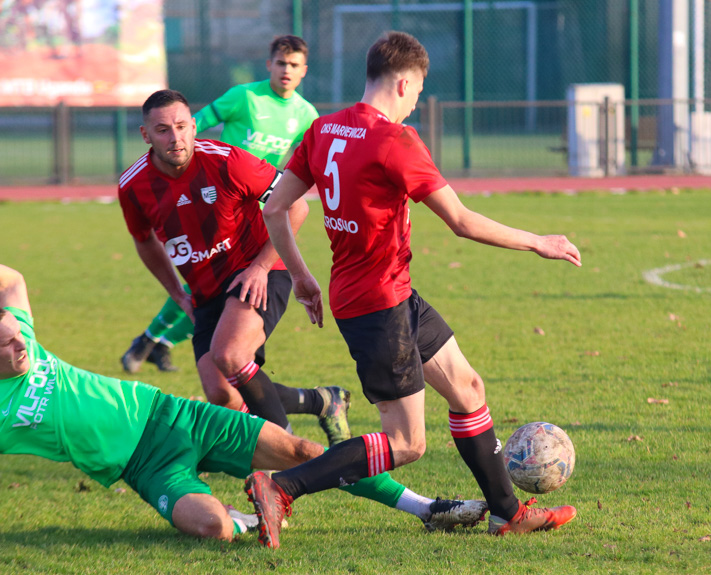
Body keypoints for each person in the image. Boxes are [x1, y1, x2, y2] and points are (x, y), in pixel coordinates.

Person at [254, 31, 581, 549]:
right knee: (407, 443)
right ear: (403, 82)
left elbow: (274, 209)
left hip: (387, 294)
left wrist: (300, 276)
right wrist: (539, 241)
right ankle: (282, 488)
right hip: (377, 306)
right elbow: (462, 221)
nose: (417, 103)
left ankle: (507, 513)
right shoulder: (394, 141)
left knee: (467, 388)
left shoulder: (323, 129)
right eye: (419, 91)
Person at [117, 89, 486, 534]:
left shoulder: (228, 160)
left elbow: (292, 207)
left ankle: (282, 476)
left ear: (194, 125)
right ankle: (318, 402)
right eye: (162, 130)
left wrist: (260, 266)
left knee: (231, 358)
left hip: (261, 274)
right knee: (222, 396)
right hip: (208, 295)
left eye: (181, 126)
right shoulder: (132, 185)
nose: (175, 137)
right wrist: (177, 294)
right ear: (145, 135)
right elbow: (144, 243)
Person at [0, 264, 485, 540]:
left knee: (306, 454)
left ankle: (426, 508)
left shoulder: (23, 336)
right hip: (144, 469)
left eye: (18, 336)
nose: (20, 345)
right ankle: (255, 509)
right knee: (215, 531)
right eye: (7, 346)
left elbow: (14, 280)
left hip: (174, 416)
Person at [121, 35, 318, 374]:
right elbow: (196, 121)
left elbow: (309, 159)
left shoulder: (305, 114)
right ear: (269, 64)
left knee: (239, 291)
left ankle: (159, 342)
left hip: (256, 201)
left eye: (295, 65)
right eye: (281, 63)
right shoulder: (244, 97)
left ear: (304, 71)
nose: (287, 70)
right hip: (210, 194)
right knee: (202, 277)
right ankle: (154, 339)